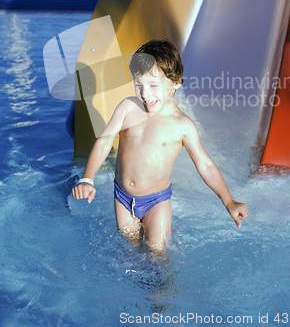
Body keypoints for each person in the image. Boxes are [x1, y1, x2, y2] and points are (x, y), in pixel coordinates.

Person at [72, 39, 248, 251]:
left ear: (176, 83)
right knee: (129, 252)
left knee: (156, 253)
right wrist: (87, 179)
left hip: (156, 201)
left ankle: (165, 285)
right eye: (139, 85)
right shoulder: (128, 108)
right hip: (122, 197)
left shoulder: (182, 126)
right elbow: (104, 141)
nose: (145, 94)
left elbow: (205, 165)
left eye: (153, 86)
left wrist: (229, 201)